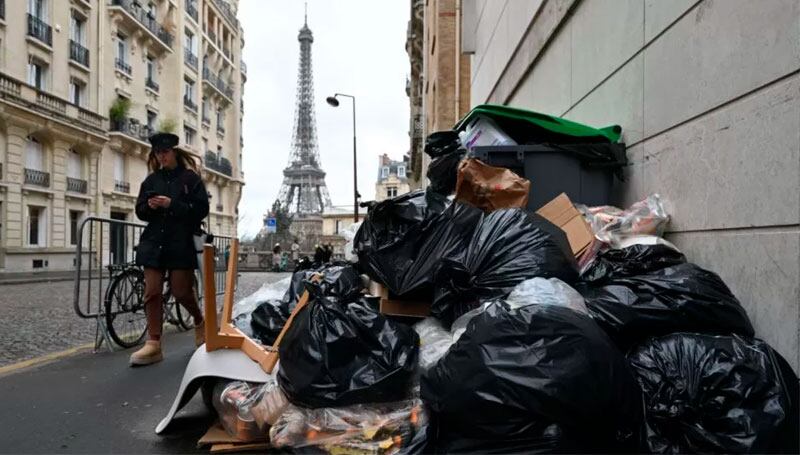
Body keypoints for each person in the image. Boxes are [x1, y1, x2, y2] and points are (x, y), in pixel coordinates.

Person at [130, 133, 209, 366]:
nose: (161, 156)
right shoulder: (151, 181)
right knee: (152, 292)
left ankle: (199, 319)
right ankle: (153, 344)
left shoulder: (190, 179)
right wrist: (150, 206)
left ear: (174, 152)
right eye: (157, 153)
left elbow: (201, 209)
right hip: (154, 242)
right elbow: (140, 210)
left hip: (180, 242)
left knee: (182, 291)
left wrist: (172, 204)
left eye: (164, 152)